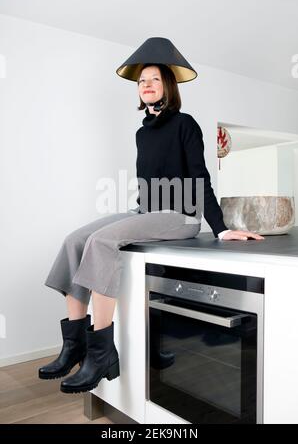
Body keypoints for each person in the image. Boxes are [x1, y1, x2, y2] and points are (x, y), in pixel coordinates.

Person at [38, 38, 264, 394]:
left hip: (181, 214)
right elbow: (148, 185)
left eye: (154, 79)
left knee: (101, 241)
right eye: (142, 80)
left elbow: (199, 177)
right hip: (149, 210)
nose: (146, 84)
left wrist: (220, 229)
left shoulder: (186, 124)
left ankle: (101, 352)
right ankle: (74, 345)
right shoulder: (142, 132)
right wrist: (134, 214)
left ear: (168, 87)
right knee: (75, 240)